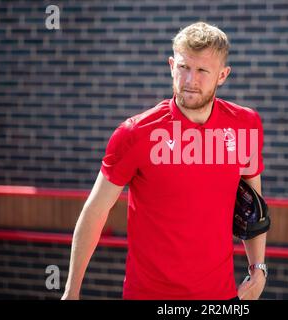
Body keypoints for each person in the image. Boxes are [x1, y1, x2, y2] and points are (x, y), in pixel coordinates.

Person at [61, 22, 267, 300]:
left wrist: (258, 269)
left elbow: (253, 205)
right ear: (172, 65)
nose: (190, 80)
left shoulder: (246, 124)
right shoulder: (135, 133)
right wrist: (71, 293)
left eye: (202, 70)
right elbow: (95, 210)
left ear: (222, 75)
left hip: (221, 296)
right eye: (183, 67)